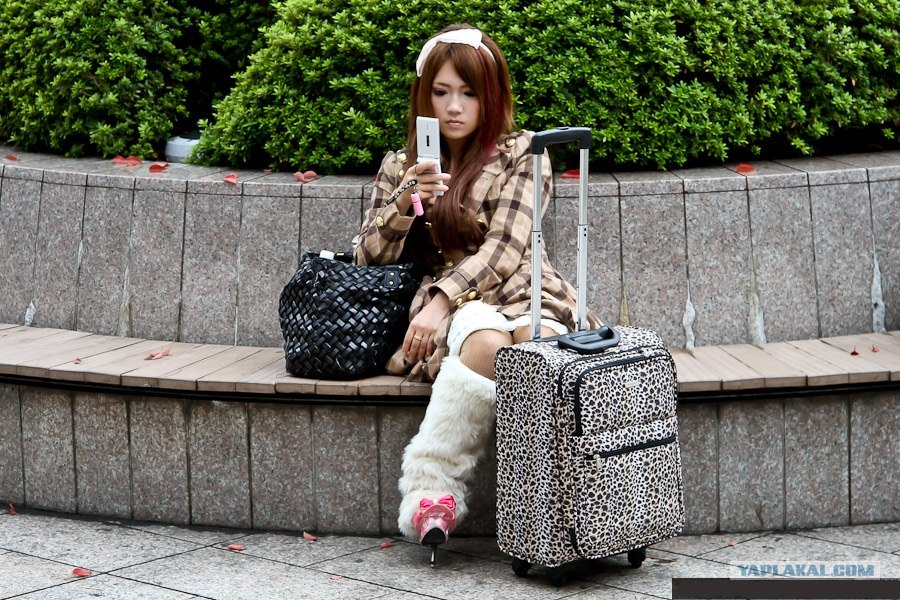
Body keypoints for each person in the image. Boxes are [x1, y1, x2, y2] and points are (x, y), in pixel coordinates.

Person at [354, 24, 599, 562]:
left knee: (539, 348)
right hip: (464, 306)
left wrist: (439, 302)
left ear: (491, 95)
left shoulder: (524, 153)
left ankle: (569, 505)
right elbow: (368, 259)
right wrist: (405, 202)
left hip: (526, 287)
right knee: (488, 346)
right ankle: (434, 494)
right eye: (441, 92)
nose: (454, 107)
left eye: (468, 93)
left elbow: (507, 247)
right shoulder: (400, 166)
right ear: (423, 96)